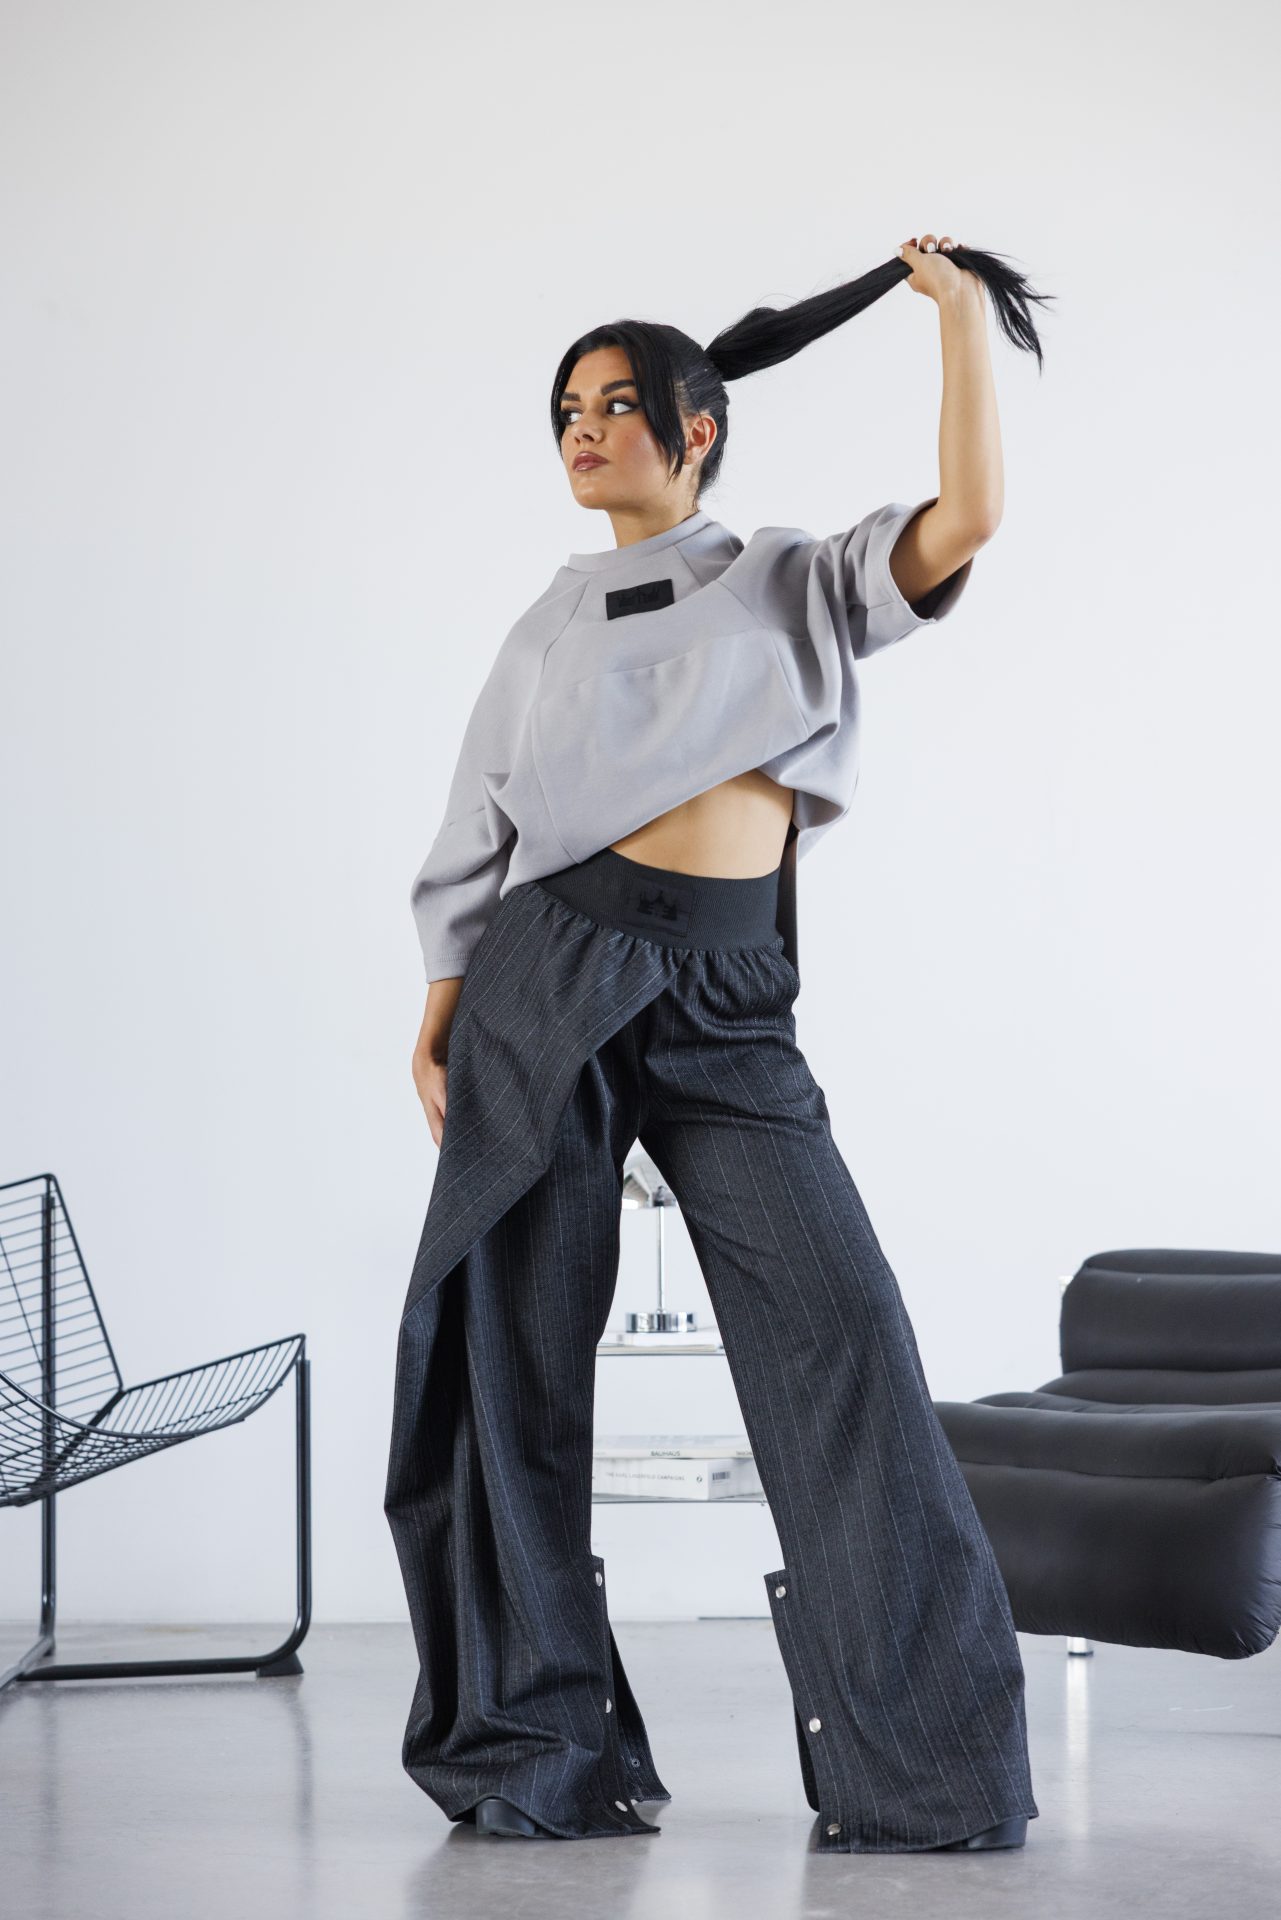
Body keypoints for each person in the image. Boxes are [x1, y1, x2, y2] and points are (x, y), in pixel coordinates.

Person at [384, 231, 1051, 1854]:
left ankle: (924, 1773)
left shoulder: (793, 577)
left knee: (844, 1340)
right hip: (548, 980)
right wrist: (438, 1012)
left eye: (613, 405)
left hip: (731, 995)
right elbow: (478, 822)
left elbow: (969, 515)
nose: (581, 431)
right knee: (513, 1363)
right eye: (565, 412)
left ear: (696, 429)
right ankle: (536, 1751)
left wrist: (956, 319)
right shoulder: (543, 626)